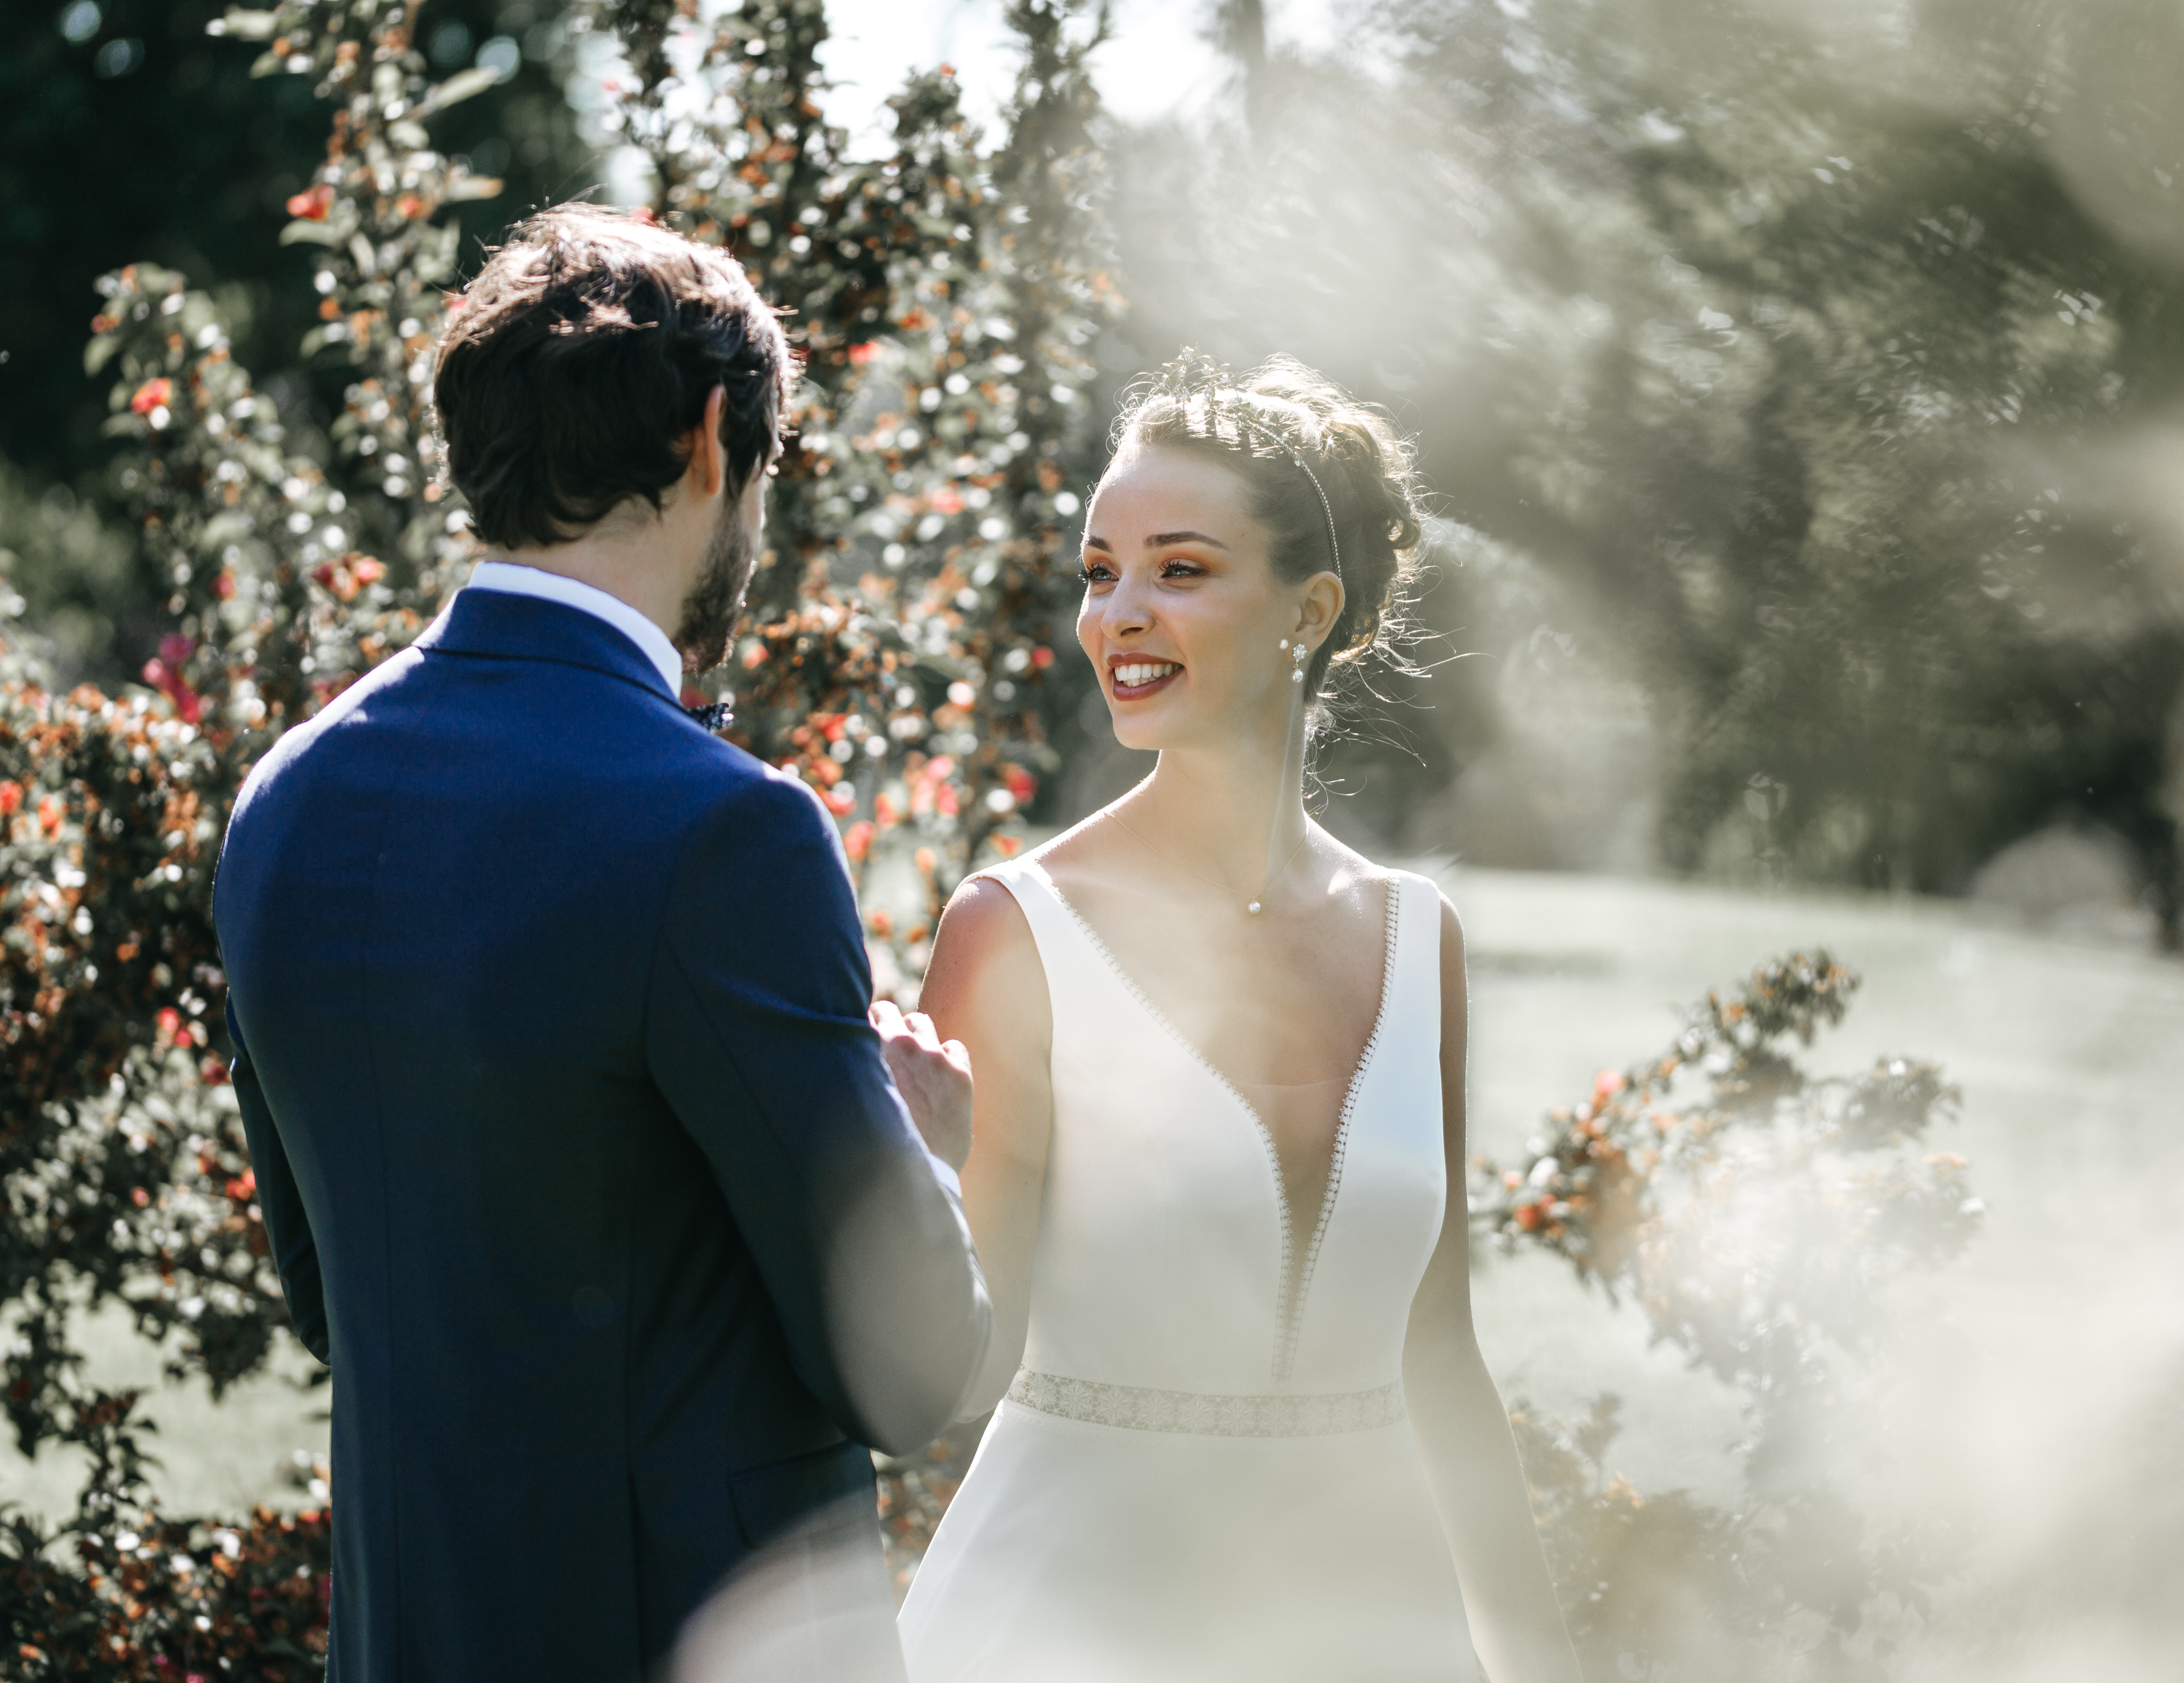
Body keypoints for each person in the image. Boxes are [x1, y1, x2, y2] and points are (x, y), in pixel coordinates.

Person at [211, 204, 992, 1682]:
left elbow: (332, 1297)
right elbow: (910, 1372)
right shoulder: (728, 832)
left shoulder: (282, 802)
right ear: (710, 440)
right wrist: (928, 1153)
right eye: (763, 470)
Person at [896, 353, 1581, 1682]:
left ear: (1308, 611)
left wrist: (1545, 1663)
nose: (1118, 615)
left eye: (1180, 569)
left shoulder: (1417, 941)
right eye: (1100, 571)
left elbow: (1440, 1354)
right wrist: (919, 1166)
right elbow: (955, 1372)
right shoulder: (1014, 931)